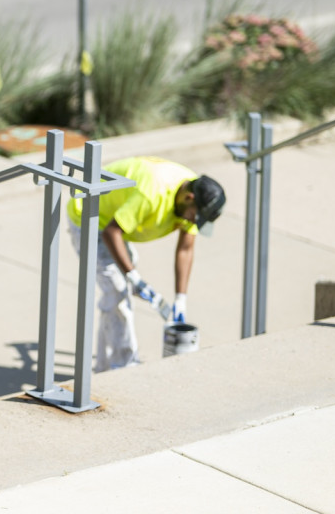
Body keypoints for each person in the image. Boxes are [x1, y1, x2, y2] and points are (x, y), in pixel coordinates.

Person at [67, 156, 225, 372]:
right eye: (195, 217)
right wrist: (133, 277)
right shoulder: (151, 193)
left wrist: (181, 298)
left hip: (117, 223)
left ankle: (103, 369)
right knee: (117, 289)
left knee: (115, 296)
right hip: (89, 216)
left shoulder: (194, 197)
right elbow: (112, 232)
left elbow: (186, 248)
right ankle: (125, 369)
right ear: (189, 198)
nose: (192, 223)